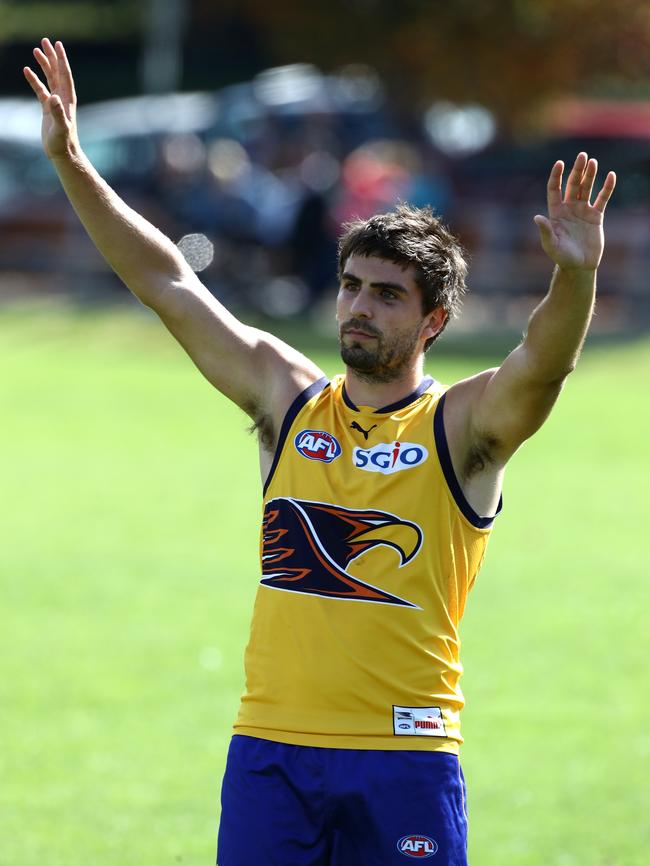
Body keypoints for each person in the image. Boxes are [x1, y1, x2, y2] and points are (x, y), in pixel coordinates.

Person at [25, 39, 615, 866]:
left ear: (432, 322)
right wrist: (74, 163)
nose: (359, 309)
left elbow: (543, 364)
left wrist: (576, 278)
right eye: (350, 287)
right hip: (271, 754)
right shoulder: (287, 398)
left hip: (406, 761)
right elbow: (169, 283)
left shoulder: (461, 428)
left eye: (386, 295)